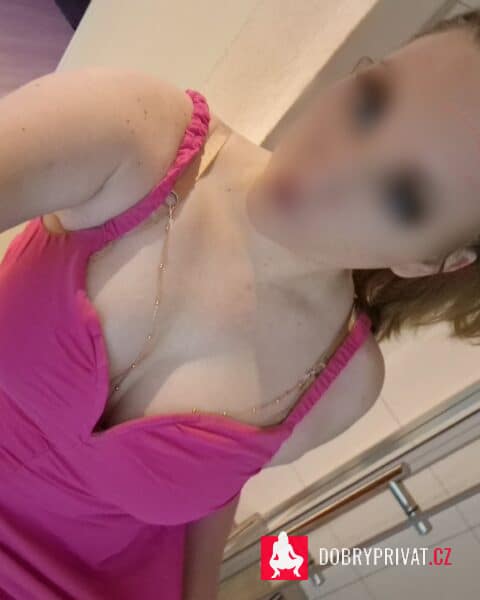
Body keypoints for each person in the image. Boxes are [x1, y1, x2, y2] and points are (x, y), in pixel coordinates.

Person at [1, 8, 480, 600]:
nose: (335, 163)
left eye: (403, 195)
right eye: (370, 102)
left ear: (431, 262)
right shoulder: (137, 137)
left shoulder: (343, 387)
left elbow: (212, 489)